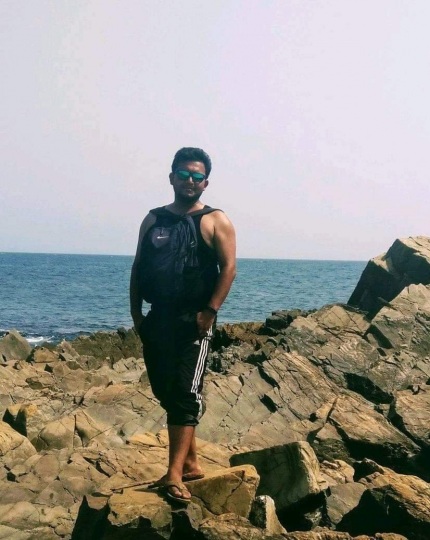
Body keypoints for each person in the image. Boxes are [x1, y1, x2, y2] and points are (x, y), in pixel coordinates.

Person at [129, 147, 236, 503]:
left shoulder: (215, 220)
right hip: (157, 318)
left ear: (205, 183)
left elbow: (229, 268)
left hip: (194, 321)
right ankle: (189, 462)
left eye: (197, 176)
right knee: (165, 391)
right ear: (172, 177)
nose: (190, 181)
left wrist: (210, 311)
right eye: (184, 174)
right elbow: (138, 266)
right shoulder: (153, 219)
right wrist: (136, 315)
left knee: (187, 395)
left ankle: (173, 475)